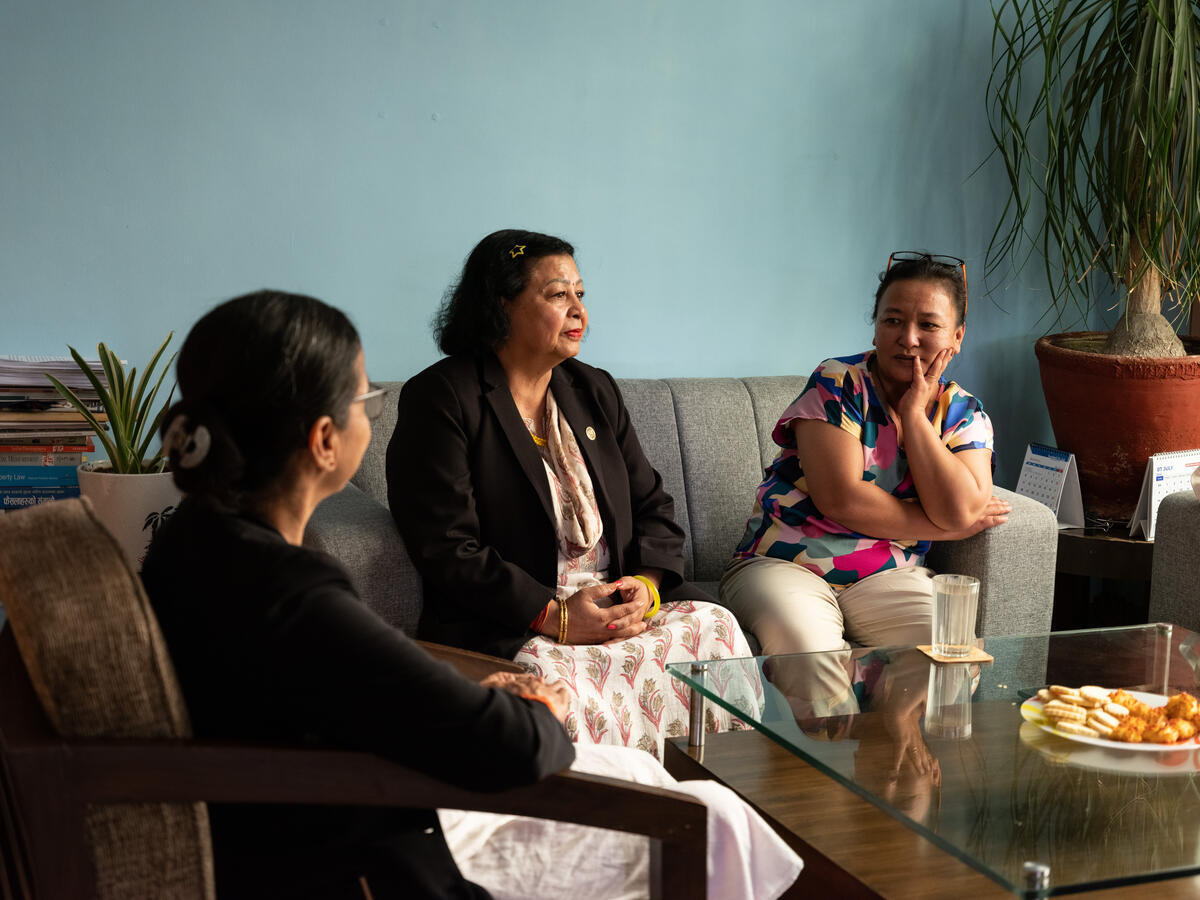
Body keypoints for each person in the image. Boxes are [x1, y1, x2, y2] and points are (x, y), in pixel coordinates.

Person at [142, 289, 801, 900]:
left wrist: (469, 700)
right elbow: (508, 746)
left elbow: (358, 681)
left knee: (660, 777)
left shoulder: (193, 542)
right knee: (707, 817)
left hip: (341, 800)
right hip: (371, 851)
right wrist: (537, 708)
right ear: (323, 441)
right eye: (363, 399)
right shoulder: (290, 591)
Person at [387, 229, 755, 758]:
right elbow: (447, 547)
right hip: (517, 622)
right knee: (544, 681)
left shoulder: (591, 389)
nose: (579, 310)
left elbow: (653, 506)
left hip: (610, 608)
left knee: (715, 625)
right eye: (559, 295)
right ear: (501, 304)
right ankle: (606, 808)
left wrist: (646, 589)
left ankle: (706, 795)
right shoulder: (443, 396)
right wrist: (555, 615)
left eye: (580, 294)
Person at [720, 251, 1011, 659]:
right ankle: (829, 726)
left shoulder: (964, 412)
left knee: (951, 650)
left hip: (889, 576)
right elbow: (841, 498)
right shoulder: (838, 381)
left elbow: (961, 508)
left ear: (957, 336)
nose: (908, 338)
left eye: (928, 325)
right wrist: (946, 530)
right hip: (785, 563)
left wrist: (914, 418)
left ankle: (895, 725)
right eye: (892, 320)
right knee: (810, 652)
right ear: (875, 329)